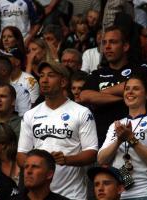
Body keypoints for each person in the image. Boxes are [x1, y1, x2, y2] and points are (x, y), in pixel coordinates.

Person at [17, 61, 98, 199]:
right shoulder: (30, 114)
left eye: (50, 75)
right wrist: (40, 165)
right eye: (41, 76)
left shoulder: (82, 112)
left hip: (73, 194)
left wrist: (66, 159)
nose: (44, 80)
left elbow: (91, 152)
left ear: (63, 82)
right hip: (39, 195)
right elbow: (21, 155)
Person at [80, 25, 147, 147]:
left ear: (125, 46)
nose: (107, 47)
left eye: (113, 42)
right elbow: (85, 96)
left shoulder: (140, 69)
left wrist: (99, 95)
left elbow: (132, 85)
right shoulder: (97, 73)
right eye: (104, 43)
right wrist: (125, 97)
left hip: (136, 136)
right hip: (102, 140)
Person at [98, 74, 147, 199]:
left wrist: (131, 138)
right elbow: (101, 159)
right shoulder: (115, 125)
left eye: (136, 88)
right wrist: (119, 140)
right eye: (127, 88)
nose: (130, 92)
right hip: (117, 195)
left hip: (144, 193)